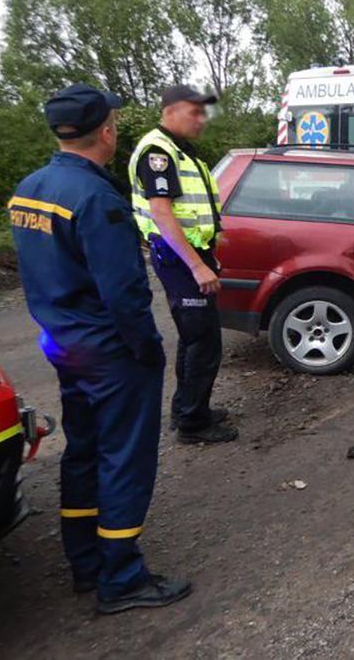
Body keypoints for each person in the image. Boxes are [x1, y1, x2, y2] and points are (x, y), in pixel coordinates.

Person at [9, 83, 191, 613]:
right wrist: (147, 347)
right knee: (125, 458)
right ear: (107, 131)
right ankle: (122, 578)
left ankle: (86, 562)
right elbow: (124, 291)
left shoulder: (30, 188)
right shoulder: (96, 198)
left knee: (84, 451)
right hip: (110, 351)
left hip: (64, 345)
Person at [128, 86, 236, 444]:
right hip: (178, 257)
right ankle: (193, 424)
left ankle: (189, 409)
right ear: (171, 111)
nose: (202, 120)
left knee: (194, 338)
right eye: (195, 113)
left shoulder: (179, 151)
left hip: (189, 253)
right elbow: (161, 213)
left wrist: (207, 255)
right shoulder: (158, 152)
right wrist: (196, 266)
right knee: (203, 341)